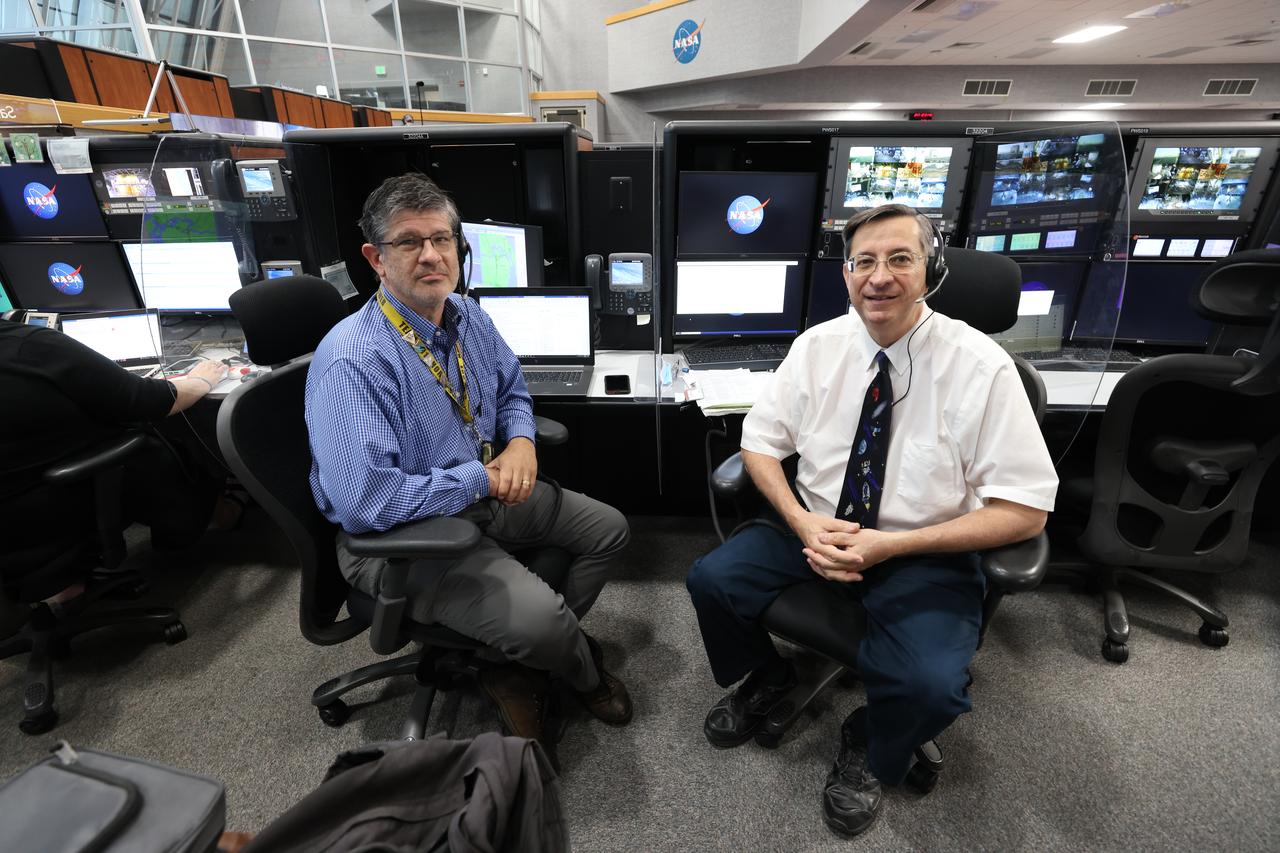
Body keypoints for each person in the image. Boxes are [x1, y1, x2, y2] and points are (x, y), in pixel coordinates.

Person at [686, 204, 1058, 837]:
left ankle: (870, 736)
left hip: (922, 548)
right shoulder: (817, 347)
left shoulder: (983, 367)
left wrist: (892, 546)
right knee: (711, 580)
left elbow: (1026, 510)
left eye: (899, 259)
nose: (879, 276)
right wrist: (801, 521)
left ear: (931, 271)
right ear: (847, 274)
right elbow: (760, 444)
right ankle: (770, 676)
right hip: (816, 527)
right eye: (864, 261)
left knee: (932, 685)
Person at [305, 173, 632, 755]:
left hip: (484, 492)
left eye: (442, 239)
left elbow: (512, 391)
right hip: (403, 535)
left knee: (610, 531)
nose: (432, 255)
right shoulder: (353, 360)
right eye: (410, 242)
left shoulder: (465, 315)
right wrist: (480, 477)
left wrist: (522, 441)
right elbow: (366, 503)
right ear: (376, 259)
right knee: (544, 624)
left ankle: (512, 659)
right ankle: (575, 671)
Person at [0, 314, 230, 622]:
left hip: (13, 521)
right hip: (54, 508)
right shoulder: (27, 346)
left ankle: (58, 583)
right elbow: (149, 401)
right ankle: (203, 524)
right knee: (167, 441)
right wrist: (203, 380)